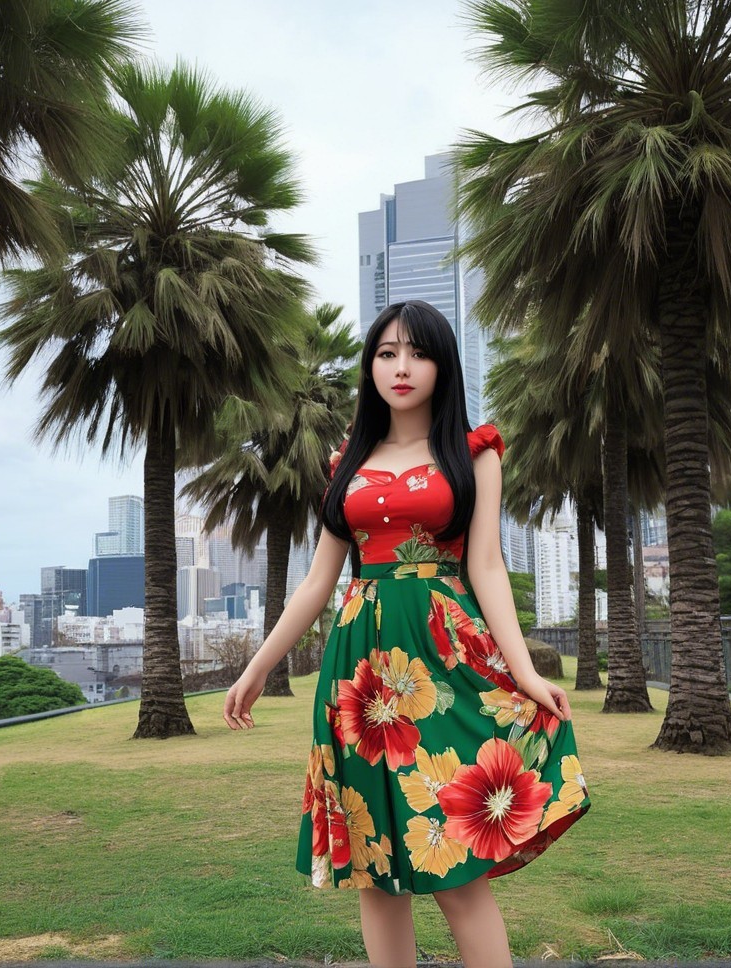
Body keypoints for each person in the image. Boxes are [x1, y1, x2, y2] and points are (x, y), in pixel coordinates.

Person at [223, 299, 590, 968]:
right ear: (370, 366)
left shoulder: (474, 453)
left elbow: (486, 566)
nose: (401, 367)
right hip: (359, 676)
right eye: (387, 353)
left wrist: (526, 672)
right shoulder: (348, 462)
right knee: (376, 865)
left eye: (418, 354)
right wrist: (257, 666)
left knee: (456, 867)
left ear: (442, 365)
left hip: (444, 663)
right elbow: (318, 581)